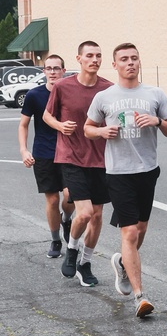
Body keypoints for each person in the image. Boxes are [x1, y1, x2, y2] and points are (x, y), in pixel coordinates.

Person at [84, 42, 167, 317]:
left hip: (147, 170)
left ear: (139, 62)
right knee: (130, 232)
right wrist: (102, 132)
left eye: (134, 58)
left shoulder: (155, 94)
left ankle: (123, 264)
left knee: (142, 229)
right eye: (124, 59)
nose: (130, 63)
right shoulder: (104, 97)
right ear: (115, 65)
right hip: (118, 172)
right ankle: (140, 296)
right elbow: (88, 128)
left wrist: (157, 122)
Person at [43, 41, 114, 288]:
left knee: (97, 216)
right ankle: (72, 249)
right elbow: (47, 115)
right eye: (90, 55)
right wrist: (60, 126)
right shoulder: (63, 86)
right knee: (84, 213)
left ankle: (85, 262)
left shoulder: (108, 89)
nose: (94, 59)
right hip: (71, 157)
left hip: (101, 158)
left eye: (98, 55)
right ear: (79, 59)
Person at [19, 54, 74, 259]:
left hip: (69, 153)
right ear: (44, 72)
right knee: (52, 200)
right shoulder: (34, 95)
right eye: (48, 68)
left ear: (63, 71)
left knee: (71, 195)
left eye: (56, 68)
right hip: (44, 153)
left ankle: (67, 219)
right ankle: (55, 239)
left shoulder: (70, 93)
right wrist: (24, 150)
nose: (52, 72)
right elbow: (23, 125)